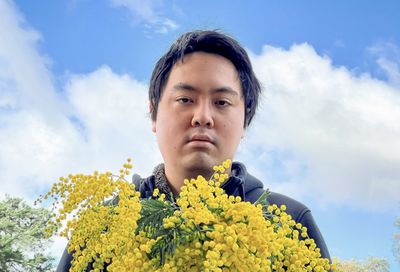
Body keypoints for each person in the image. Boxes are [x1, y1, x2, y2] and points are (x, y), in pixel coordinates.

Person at [57, 30, 330, 271]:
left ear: (245, 121)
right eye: (185, 99)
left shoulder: (289, 222)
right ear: (154, 114)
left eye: (222, 102)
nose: (203, 116)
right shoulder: (103, 228)